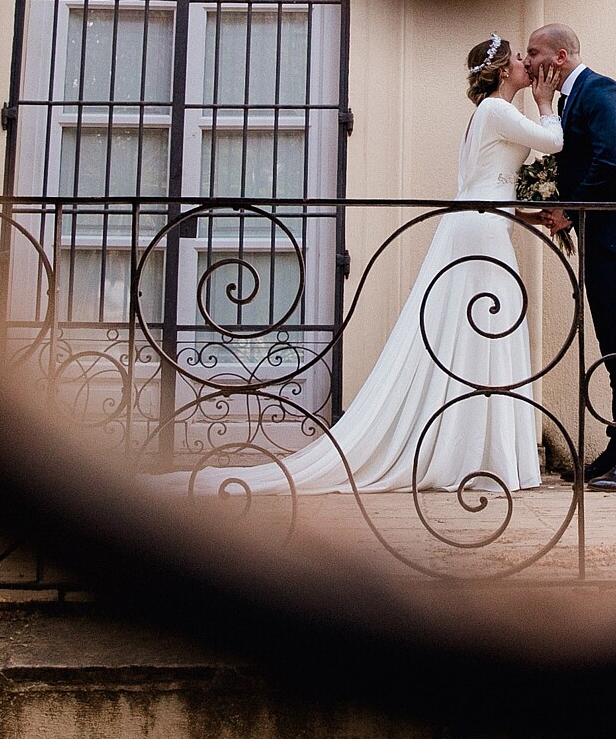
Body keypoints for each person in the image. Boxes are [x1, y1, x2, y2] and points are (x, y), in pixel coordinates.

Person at [168, 33, 564, 496]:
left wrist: (533, 214)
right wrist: (546, 101)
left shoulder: (489, 114)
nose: (525, 63)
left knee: (478, 332)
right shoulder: (499, 110)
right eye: (518, 58)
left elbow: (491, 182)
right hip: (480, 229)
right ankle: (475, 454)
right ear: (501, 72)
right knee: (483, 331)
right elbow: (552, 142)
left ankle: (478, 451)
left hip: (483, 221)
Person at [522, 24, 616, 491]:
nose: (528, 59)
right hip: (602, 238)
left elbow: (609, 163)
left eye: (533, 52)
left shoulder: (603, 91)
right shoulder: (573, 99)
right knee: (615, 348)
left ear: (559, 57)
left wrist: (564, 208)